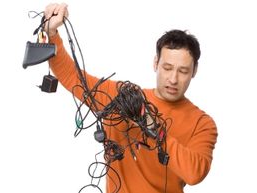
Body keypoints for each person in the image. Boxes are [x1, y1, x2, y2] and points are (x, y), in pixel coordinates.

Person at [44, 2, 218, 193]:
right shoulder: (122, 98)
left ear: (194, 71)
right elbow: (72, 77)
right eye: (167, 68)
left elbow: (194, 173)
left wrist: (153, 127)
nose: (173, 79)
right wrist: (51, 34)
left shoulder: (202, 123)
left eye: (183, 71)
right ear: (156, 63)